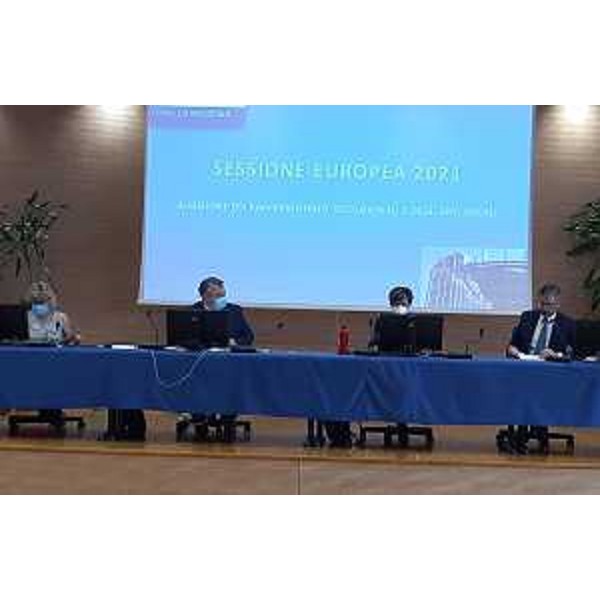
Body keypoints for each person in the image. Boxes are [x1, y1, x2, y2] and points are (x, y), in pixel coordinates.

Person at [499, 283, 576, 454]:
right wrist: (513, 349)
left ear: (558, 304)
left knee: (532, 391)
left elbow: (573, 353)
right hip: (526, 368)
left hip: (551, 374)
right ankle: (521, 437)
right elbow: (513, 344)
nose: (545, 308)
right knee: (523, 388)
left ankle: (525, 436)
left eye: (549, 305)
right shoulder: (528, 317)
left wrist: (556, 354)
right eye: (542, 304)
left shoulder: (567, 324)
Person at [179, 276, 254, 440]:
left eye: (223, 295)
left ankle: (228, 422)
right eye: (219, 296)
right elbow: (184, 339)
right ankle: (200, 423)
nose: (222, 299)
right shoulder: (192, 312)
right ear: (206, 295)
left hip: (229, 365)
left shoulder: (235, 310)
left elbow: (248, 337)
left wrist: (235, 342)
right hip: (199, 365)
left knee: (233, 386)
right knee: (194, 385)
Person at [25, 281, 79, 426]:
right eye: (36, 303)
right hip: (30, 363)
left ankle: (53, 410)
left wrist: (73, 339)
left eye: (43, 302)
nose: (39, 306)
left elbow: (70, 338)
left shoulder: (60, 317)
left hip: (57, 363)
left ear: (51, 302)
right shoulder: (25, 317)